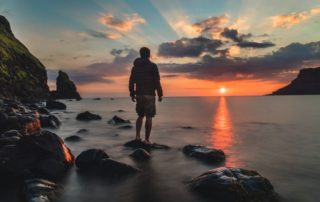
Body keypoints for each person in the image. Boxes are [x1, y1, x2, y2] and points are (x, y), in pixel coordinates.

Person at [129, 47, 163, 144]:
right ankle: (147, 140)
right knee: (149, 117)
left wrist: (132, 93)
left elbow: (131, 81)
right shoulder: (153, 66)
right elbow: (157, 81)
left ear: (140, 54)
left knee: (140, 116)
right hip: (150, 95)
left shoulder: (135, 67)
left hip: (139, 94)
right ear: (149, 54)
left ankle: (137, 137)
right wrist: (160, 94)